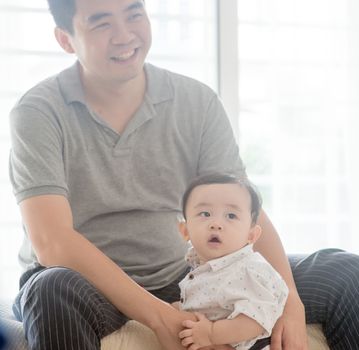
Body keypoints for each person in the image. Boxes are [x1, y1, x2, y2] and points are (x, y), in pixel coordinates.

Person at [7, 0, 359, 349]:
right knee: (50, 289)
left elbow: (241, 205)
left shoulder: (196, 101)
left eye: (134, 15)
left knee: (343, 273)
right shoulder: (39, 111)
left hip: (186, 272)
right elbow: (52, 241)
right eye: (101, 23)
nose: (125, 35)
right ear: (65, 39)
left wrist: (288, 300)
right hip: (87, 285)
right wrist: (160, 316)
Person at [174, 173, 288, 350]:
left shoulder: (249, 270)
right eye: (205, 213)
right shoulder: (201, 267)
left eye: (231, 216)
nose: (216, 224)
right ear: (185, 230)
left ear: (251, 235)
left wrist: (211, 333)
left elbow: (255, 320)